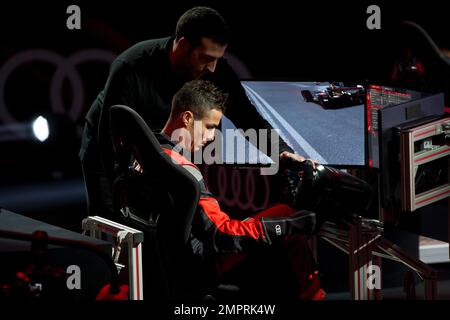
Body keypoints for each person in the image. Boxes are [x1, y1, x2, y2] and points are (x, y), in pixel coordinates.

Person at [79, 6, 314, 219]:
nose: (212, 68)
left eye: (218, 59)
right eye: (206, 58)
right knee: (112, 222)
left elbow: (247, 116)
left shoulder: (215, 70)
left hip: (159, 141)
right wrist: (125, 190)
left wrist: (282, 151)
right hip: (107, 142)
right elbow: (111, 140)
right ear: (182, 45)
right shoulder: (131, 66)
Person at [136, 79, 325, 300]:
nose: (210, 137)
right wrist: (291, 225)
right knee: (285, 214)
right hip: (201, 261)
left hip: (164, 263)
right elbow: (222, 234)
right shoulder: (184, 171)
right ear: (187, 118)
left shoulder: (145, 153)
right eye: (209, 127)